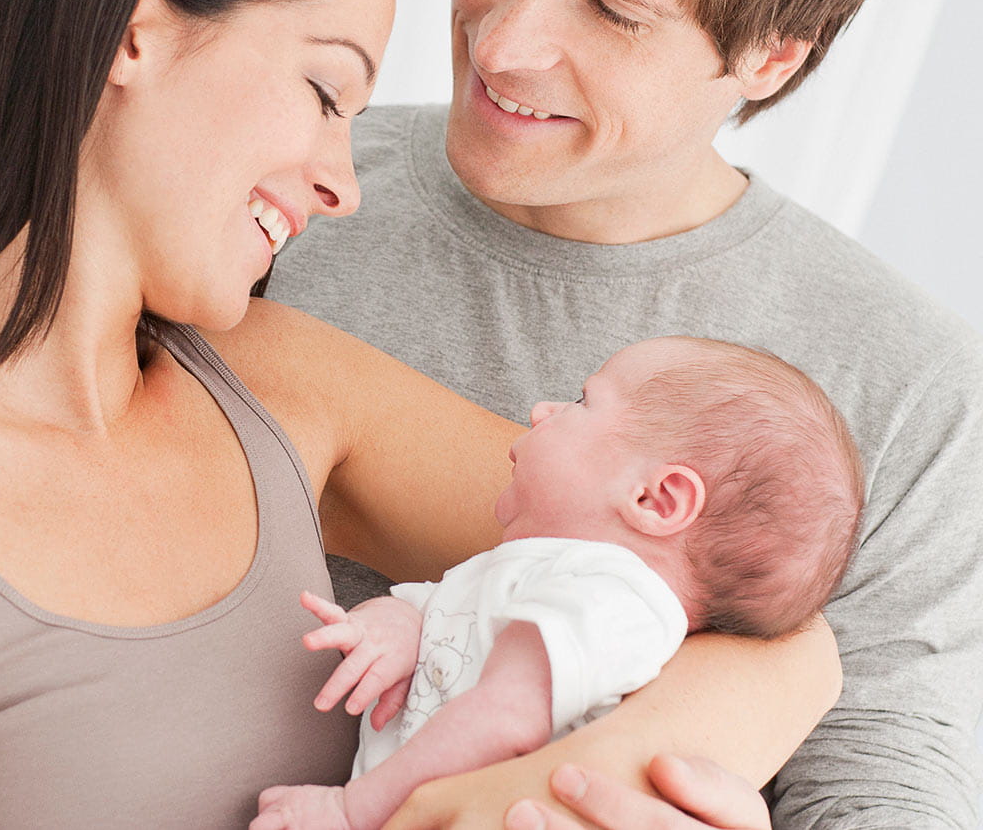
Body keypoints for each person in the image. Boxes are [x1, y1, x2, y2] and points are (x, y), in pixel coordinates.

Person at [0, 0, 847, 827]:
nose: (349, 184)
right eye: (323, 90)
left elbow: (766, 628)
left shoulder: (283, 383)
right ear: (133, 29)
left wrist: (540, 790)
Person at [258, 0, 983, 824]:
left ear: (774, 53)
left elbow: (884, 784)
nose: (500, 47)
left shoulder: (910, 384)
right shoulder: (266, 189)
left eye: (613, 9)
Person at [252, 336, 864, 830]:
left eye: (581, 401)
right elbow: (459, 625)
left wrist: (349, 812)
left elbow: (504, 720)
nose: (541, 411)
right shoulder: (552, 577)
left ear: (655, 497)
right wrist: (405, 624)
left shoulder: (616, 600)